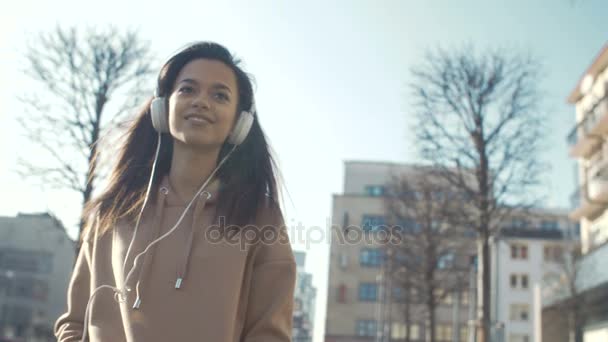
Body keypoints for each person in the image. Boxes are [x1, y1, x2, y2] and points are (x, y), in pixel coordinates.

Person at [54, 41, 296, 342]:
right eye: (187, 89)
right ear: (162, 106)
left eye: (220, 95)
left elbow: (269, 334)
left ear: (240, 123)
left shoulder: (261, 216)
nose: (201, 102)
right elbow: (75, 323)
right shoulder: (113, 210)